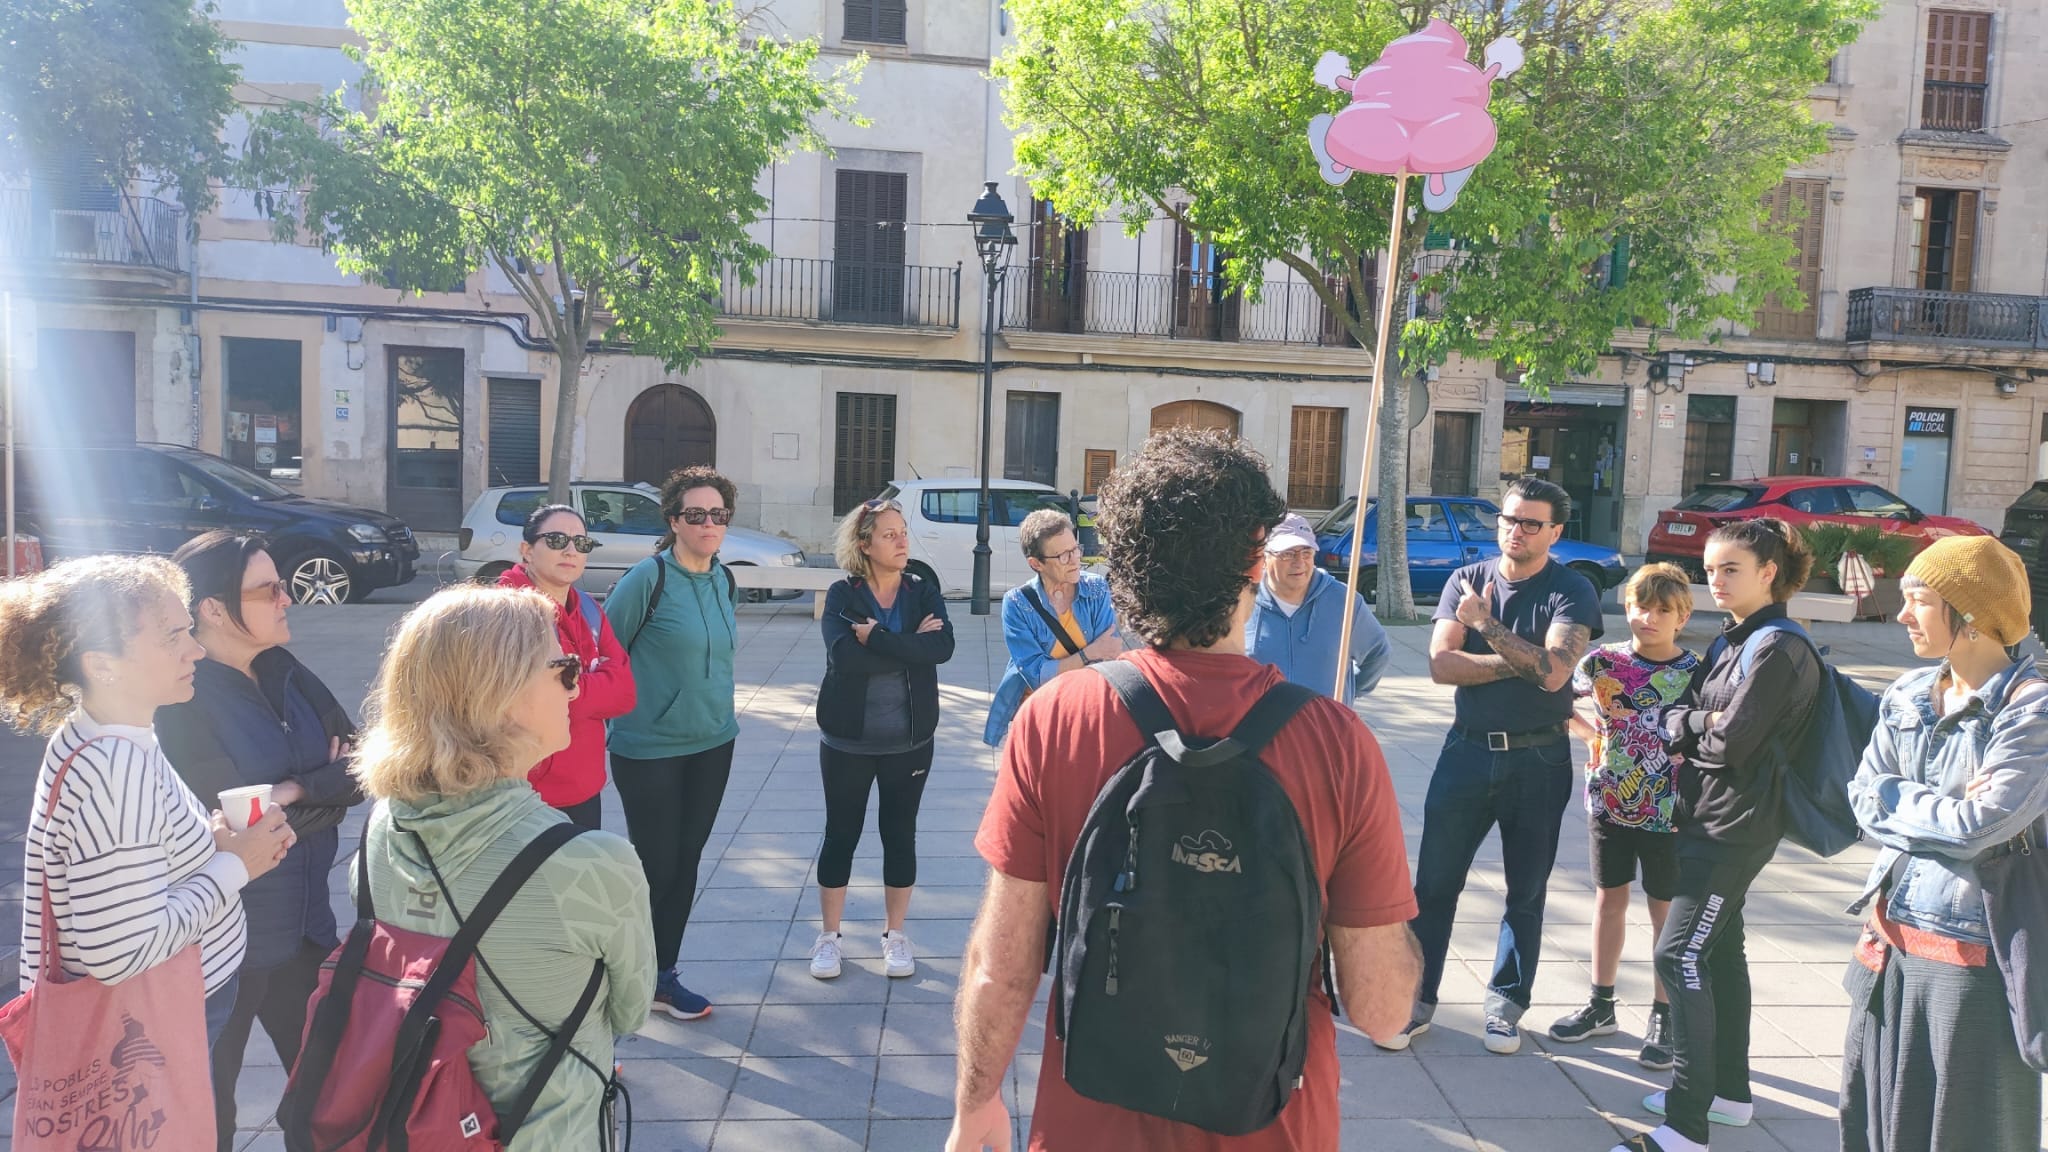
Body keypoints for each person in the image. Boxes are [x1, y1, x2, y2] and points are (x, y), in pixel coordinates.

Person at [948, 428, 1421, 1152]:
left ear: (1126, 571)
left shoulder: (1054, 719)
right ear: (1256, 563)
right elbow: (1384, 1012)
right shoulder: (1337, 742)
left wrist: (974, 1103)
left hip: (1089, 1123)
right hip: (1276, 1124)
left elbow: (1001, 965)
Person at [352, 585, 655, 1150]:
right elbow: (631, 1010)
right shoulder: (591, 863)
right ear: (502, 696)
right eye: (565, 669)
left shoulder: (379, 830)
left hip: (409, 1123)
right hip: (550, 1131)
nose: (576, 687)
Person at [0, 555, 293, 1056]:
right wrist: (234, 865)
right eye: (172, 636)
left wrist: (213, 846)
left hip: (161, 1012)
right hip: (152, 1025)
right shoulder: (116, 766)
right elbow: (120, 953)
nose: (196, 650)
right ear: (102, 664)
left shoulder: (101, 737)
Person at [157, 532, 366, 1151]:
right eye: (268, 588)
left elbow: (361, 769)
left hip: (306, 930)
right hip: (222, 946)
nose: (287, 597)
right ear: (214, 609)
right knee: (207, 1114)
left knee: (329, 1099)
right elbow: (227, 826)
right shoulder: (181, 700)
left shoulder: (287, 672)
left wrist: (293, 792)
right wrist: (314, 793)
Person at [1838, 536, 2048, 1152]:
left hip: (1974, 954)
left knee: (1967, 1127)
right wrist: (1944, 810)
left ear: (1976, 617)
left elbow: (1983, 826)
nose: (1902, 614)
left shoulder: (2030, 712)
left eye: (1920, 600)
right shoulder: (1906, 694)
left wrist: (1897, 795)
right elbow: (1860, 796)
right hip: (1886, 939)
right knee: (1874, 1117)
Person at [1621, 519, 1821, 1152]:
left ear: (1769, 573)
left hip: (1736, 825)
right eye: (1710, 568)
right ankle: (1728, 1095)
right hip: (1707, 814)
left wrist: (1688, 723)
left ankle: (1685, 1126)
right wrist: (1700, 721)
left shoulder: (1778, 647)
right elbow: (1712, 721)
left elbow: (1732, 741)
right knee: (1717, 954)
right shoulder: (1739, 638)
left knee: (1676, 955)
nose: (1716, 579)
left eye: (1730, 568)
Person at [1391, 476, 1602, 1055]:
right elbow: (1440, 666)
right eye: (1509, 519)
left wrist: (1484, 629)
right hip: (1466, 750)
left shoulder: (1572, 590)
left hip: (1539, 758)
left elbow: (1557, 674)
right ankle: (1414, 1001)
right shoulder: (1466, 578)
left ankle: (1505, 1007)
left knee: (1526, 891)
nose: (1515, 530)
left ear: (1555, 531)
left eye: (1531, 522)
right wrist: (1528, 662)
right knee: (1433, 885)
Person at [1547, 562, 1698, 1071]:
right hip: (1610, 802)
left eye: (1663, 610)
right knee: (1609, 900)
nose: (1649, 618)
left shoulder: (1694, 672)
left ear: (1683, 616)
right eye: (1640, 607)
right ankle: (1601, 1003)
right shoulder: (1602, 663)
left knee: (1664, 913)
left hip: (1669, 811)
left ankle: (1664, 1012)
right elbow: (1555, 696)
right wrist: (1590, 735)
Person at [604, 465, 740, 1022]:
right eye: (696, 515)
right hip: (649, 747)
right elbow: (607, 654)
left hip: (713, 743)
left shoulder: (724, 579)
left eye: (718, 515)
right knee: (653, 866)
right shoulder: (648, 579)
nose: (709, 524)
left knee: (686, 862)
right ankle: (625, 976)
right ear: (674, 521)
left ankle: (663, 975)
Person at [808, 498, 956, 982]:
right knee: (840, 836)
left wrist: (881, 639)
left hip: (909, 742)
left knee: (900, 835)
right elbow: (845, 659)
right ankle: (829, 937)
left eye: (903, 531)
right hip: (847, 741)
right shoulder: (842, 595)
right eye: (889, 534)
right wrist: (910, 645)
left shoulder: (922, 589)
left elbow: (943, 647)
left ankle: (895, 935)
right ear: (864, 544)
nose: (902, 540)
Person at [496, 503, 636, 830]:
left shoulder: (588, 609)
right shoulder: (503, 612)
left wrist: (573, 686)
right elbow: (527, 702)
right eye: (557, 540)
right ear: (527, 551)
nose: (571, 551)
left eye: (581, 543)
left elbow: (625, 693)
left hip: (585, 790)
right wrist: (593, 681)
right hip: (521, 796)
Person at [983, 507, 1122, 747]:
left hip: (1088, 714)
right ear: (1036, 563)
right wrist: (1089, 653)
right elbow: (1036, 675)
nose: (1075, 560)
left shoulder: (1097, 588)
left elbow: (1109, 658)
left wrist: (1063, 666)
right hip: (1039, 720)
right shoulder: (1017, 603)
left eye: (1075, 550)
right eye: (1063, 556)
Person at [1245, 512, 1390, 699]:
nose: (1299, 563)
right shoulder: (1243, 601)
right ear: (1265, 557)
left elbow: (1378, 653)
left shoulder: (1343, 601)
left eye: (1306, 553)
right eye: (1288, 554)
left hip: (1324, 726)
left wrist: (1347, 694)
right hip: (1261, 726)